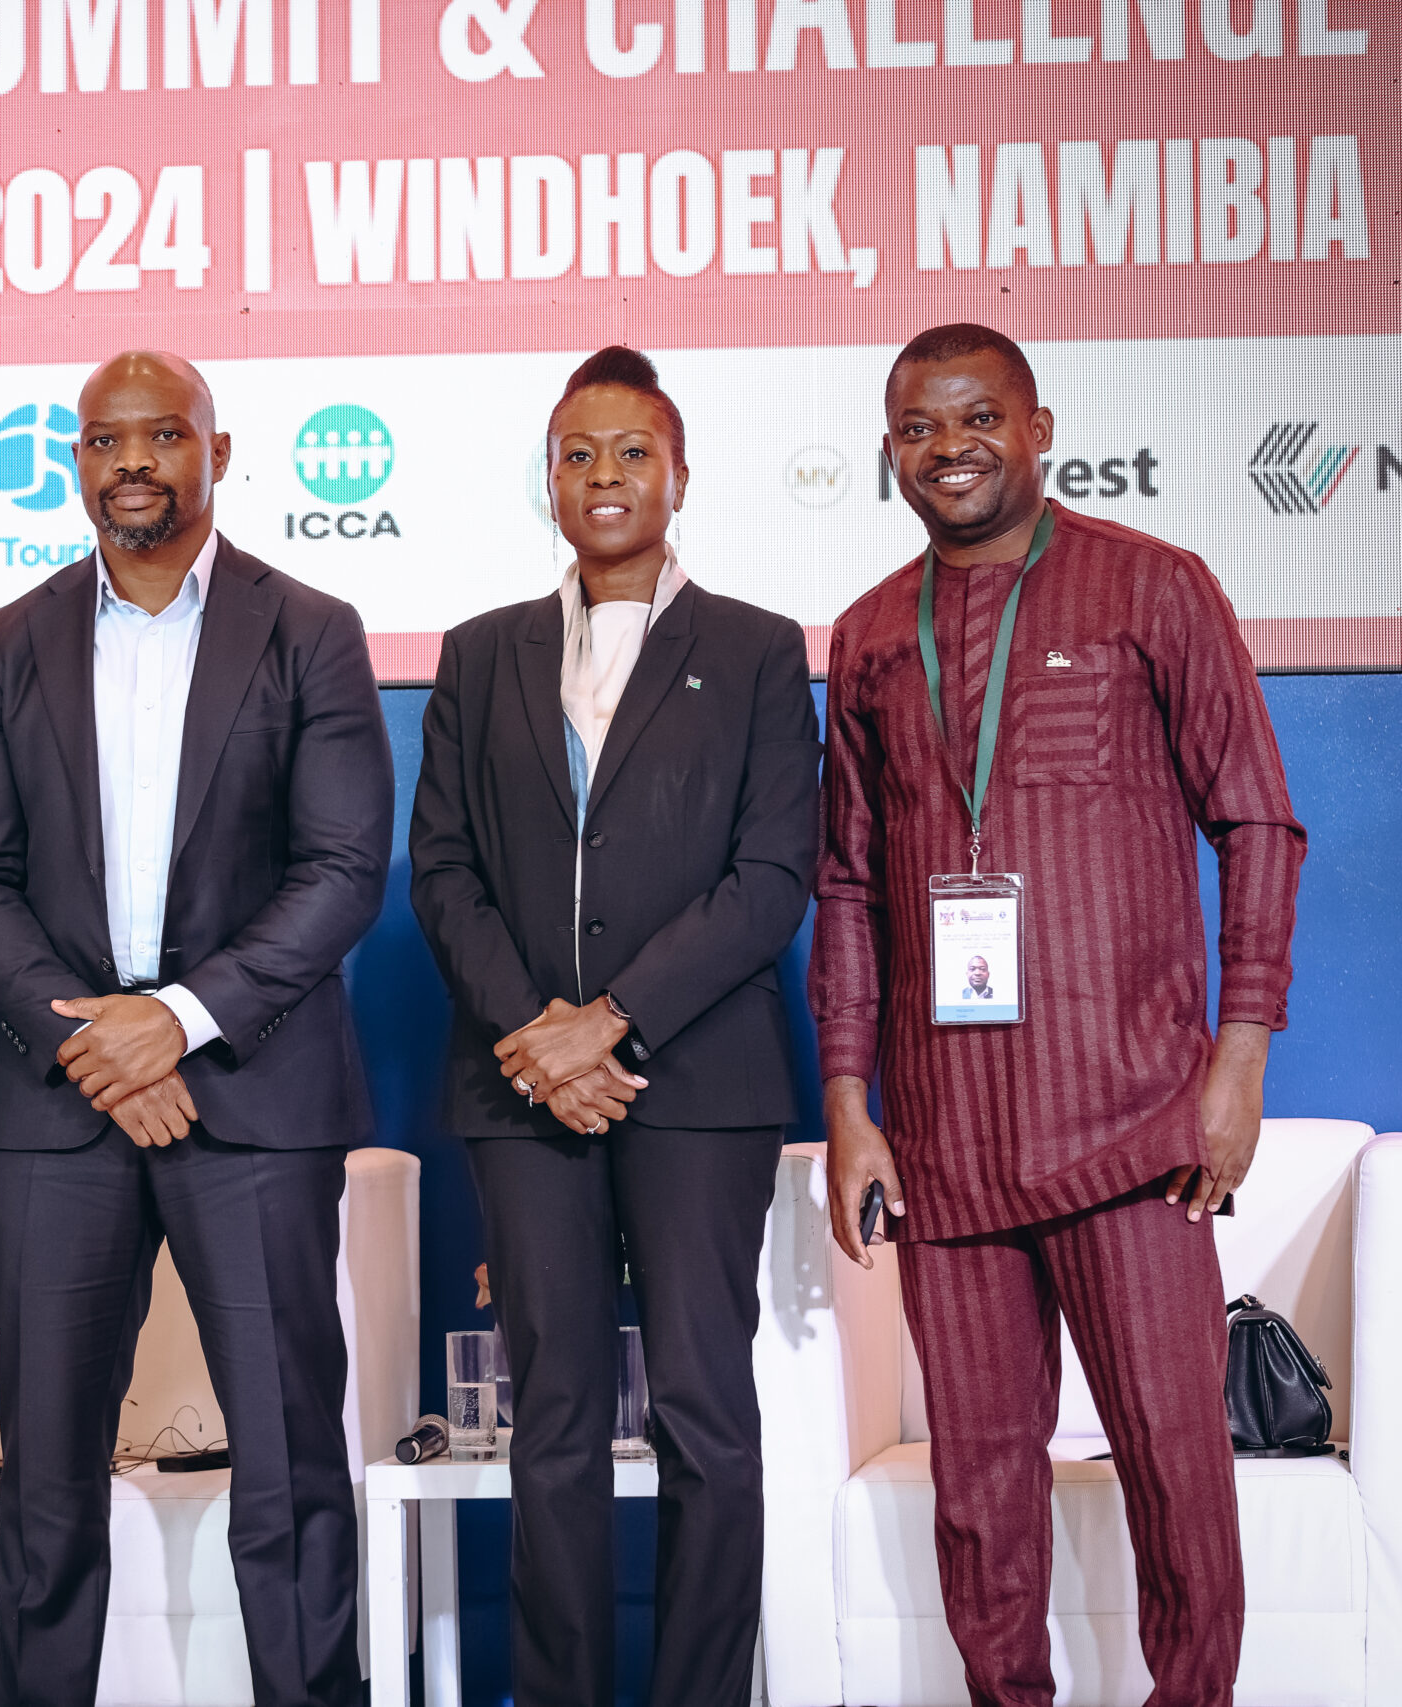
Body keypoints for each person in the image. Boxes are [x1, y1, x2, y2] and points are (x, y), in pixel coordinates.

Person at [814, 324, 1305, 1707]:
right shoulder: (870, 636)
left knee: (1173, 1467)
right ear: (891, 452)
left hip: (1132, 1125)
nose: (949, 448)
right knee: (978, 1495)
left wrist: (1240, 1056)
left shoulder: (1153, 587)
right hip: (948, 1145)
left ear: (1038, 430)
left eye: (978, 418)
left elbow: (1258, 824)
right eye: (918, 428)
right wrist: (850, 1107)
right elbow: (845, 886)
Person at [0, 350, 393, 1707]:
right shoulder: (6, 641)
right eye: (103, 440)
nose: (133, 461)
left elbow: (343, 867)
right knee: (48, 1485)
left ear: (218, 452)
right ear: (76, 461)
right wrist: (100, 1045)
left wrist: (178, 1023)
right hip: (59, 1104)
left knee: (290, 1474)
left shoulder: (310, 627)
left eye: (163, 435)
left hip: (254, 1097)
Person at [408, 346, 819, 1707]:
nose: (603, 475)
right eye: (576, 454)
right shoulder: (481, 654)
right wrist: (542, 1036)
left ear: (680, 475)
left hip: (698, 1084)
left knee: (706, 1416)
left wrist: (615, 1025)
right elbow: (443, 870)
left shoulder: (757, 649)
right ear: (548, 481)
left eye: (632, 451)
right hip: (520, 1085)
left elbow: (772, 877)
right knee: (556, 1425)